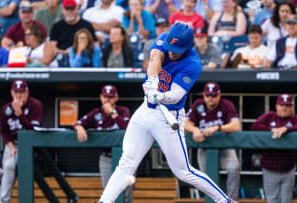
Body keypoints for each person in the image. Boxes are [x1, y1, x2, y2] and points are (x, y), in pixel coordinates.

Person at [98, 22, 236, 203]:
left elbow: (176, 95)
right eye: (170, 47)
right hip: (145, 111)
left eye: (176, 50)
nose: (171, 52)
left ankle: (224, 200)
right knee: (126, 162)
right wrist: (153, 81)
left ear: (187, 47)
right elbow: (155, 58)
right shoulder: (165, 39)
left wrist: (160, 95)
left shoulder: (193, 64)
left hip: (168, 116)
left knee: (183, 171)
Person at [75, 85, 133, 203]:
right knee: (108, 191)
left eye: (111, 97)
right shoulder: (96, 113)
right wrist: (79, 127)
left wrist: (113, 113)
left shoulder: (123, 111)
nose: (107, 100)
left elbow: (126, 128)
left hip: (125, 157)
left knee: (126, 193)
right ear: (101, 97)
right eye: (105, 97)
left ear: (116, 98)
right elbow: (78, 123)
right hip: (106, 157)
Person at [185, 81, 241, 200]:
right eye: (208, 95)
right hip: (205, 146)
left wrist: (217, 128)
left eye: (214, 95)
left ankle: (231, 199)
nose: (210, 98)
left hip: (224, 145)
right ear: (204, 95)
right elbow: (185, 124)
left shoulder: (226, 104)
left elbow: (236, 126)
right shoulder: (198, 104)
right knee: (205, 177)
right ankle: (211, 200)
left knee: (234, 167)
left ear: (219, 95)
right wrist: (195, 130)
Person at [250, 94, 297, 203]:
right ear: (276, 106)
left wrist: (286, 129)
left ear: (292, 107)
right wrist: (272, 129)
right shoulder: (270, 116)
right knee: (272, 200)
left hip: (288, 168)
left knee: (286, 200)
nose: (284, 108)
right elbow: (254, 126)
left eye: (287, 105)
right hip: (270, 168)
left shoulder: (295, 118)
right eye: (281, 105)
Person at [0, 79, 43, 203]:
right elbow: (4, 131)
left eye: (21, 92)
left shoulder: (35, 105)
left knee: (22, 171)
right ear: (12, 93)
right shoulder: (6, 108)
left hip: (30, 146)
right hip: (12, 144)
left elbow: (33, 131)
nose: (18, 95)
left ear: (27, 92)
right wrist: (11, 147)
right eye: (16, 92)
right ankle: (3, 201)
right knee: (7, 166)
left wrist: (19, 113)